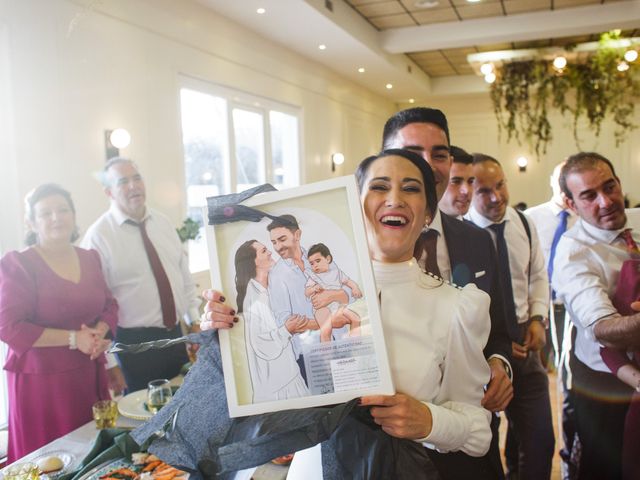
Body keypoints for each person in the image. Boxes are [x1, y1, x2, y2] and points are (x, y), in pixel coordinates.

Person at [202, 149, 494, 479]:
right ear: (354, 205)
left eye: (411, 188)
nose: (394, 198)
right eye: (380, 187)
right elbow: (259, 376)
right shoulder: (298, 287)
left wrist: (430, 421)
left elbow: (479, 431)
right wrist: (225, 332)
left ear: (428, 212)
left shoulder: (457, 307)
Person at [382, 107, 512, 478]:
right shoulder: (351, 248)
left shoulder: (477, 239)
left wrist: (501, 365)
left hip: (469, 442)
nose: (429, 165)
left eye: (439, 154)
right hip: (387, 445)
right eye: (412, 152)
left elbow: (500, 327)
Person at [0, 184, 116, 462]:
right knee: (52, 461)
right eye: (46, 213)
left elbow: (110, 305)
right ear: (31, 222)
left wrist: (100, 332)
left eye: (63, 210)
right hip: (42, 384)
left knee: (94, 454)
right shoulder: (18, 264)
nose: (56, 218)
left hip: (88, 372)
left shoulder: (90, 258)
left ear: (74, 215)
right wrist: (75, 339)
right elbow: (8, 326)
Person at [466, 154, 554, 479]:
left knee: (539, 441)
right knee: (483, 444)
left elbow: (537, 275)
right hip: (480, 350)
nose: (497, 197)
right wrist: (496, 345)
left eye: (500, 185)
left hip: (526, 345)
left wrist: (537, 317)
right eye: (484, 191)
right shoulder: (462, 235)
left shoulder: (524, 223)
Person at [552, 152, 639, 480]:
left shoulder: (638, 221)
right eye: (589, 195)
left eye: (610, 187)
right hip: (605, 382)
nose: (606, 201)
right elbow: (604, 330)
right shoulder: (574, 252)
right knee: (605, 468)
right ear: (571, 204)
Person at [82, 157, 201, 392]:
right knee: (144, 420)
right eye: (123, 182)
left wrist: (194, 321)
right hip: (133, 347)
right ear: (109, 192)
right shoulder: (98, 237)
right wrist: (109, 362)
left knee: (185, 406)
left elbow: (183, 280)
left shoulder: (163, 223)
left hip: (176, 337)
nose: (133, 186)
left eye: (137, 178)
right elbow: (94, 309)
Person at [525, 160, 578, 477]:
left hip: (571, 308)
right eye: (559, 181)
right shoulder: (532, 218)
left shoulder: (583, 218)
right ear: (552, 181)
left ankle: (571, 456)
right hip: (538, 309)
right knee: (532, 383)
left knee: (568, 382)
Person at [266, 215, 349, 379]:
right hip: (311, 355)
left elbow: (347, 295)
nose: (278, 247)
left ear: (297, 235)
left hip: (343, 343)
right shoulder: (276, 276)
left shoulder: (319, 255)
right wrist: (326, 323)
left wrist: (333, 295)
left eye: (282, 239)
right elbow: (285, 321)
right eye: (274, 242)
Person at [234, 240, 309, 403]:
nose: (270, 252)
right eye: (263, 251)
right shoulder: (253, 300)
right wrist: (287, 330)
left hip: (290, 377)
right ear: (253, 262)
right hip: (278, 391)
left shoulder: (271, 289)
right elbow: (262, 346)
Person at [305, 242, 362, 342]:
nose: (315, 266)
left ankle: (355, 343)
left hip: (338, 307)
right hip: (322, 308)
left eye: (318, 261)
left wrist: (355, 288)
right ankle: (327, 354)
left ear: (328, 259)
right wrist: (313, 289)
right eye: (312, 263)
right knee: (326, 329)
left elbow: (348, 281)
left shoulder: (336, 273)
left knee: (356, 318)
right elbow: (307, 292)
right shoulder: (313, 277)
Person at [439, 145, 475, 220]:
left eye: (470, 181)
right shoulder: (413, 230)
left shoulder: (478, 232)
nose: (466, 191)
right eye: (456, 181)